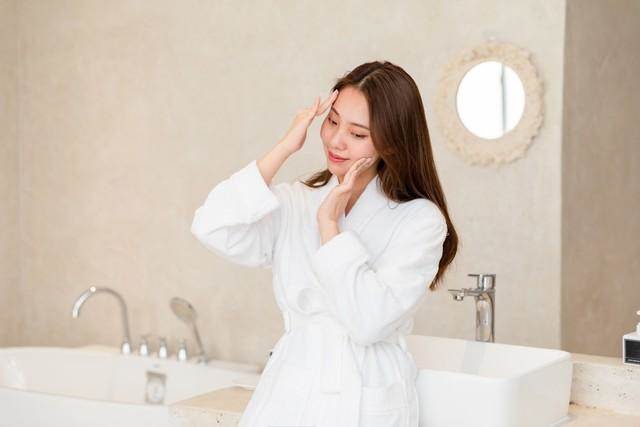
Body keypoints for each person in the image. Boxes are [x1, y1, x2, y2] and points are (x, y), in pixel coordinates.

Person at [191, 60, 458, 427]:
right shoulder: (299, 201)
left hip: (365, 393)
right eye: (332, 121)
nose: (336, 141)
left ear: (392, 143)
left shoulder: (420, 221)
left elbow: (368, 322)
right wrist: (285, 147)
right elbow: (211, 225)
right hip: (291, 387)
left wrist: (329, 227)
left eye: (357, 134)